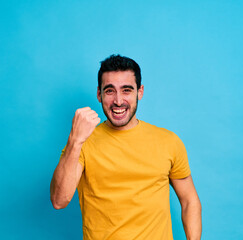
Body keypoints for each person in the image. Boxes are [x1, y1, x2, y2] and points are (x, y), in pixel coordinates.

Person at [50, 54, 202, 240]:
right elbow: (59, 200)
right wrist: (75, 140)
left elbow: (189, 200)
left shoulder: (168, 141)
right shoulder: (82, 143)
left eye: (127, 90)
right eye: (109, 91)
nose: (119, 101)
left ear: (140, 92)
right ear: (99, 94)